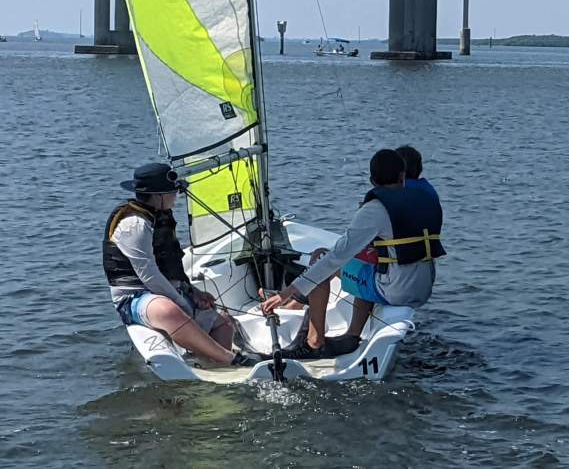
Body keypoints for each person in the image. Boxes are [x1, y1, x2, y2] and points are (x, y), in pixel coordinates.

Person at [260, 149, 444, 359]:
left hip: (395, 290)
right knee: (363, 269)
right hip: (424, 286)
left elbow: (334, 258)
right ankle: (352, 335)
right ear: (403, 176)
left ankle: (314, 341)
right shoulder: (427, 198)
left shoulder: (375, 209)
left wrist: (286, 292)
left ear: (372, 180)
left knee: (321, 257)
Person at [104, 162, 259, 367]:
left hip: (161, 291)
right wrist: (182, 302)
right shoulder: (135, 224)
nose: (176, 197)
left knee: (224, 323)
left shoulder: (160, 216)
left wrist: (193, 292)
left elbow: (170, 266)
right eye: (173, 192)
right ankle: (231, 359)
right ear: (159, 195)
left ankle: (214, 366)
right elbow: (149, 275)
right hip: (133, 296)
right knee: (170, 310)